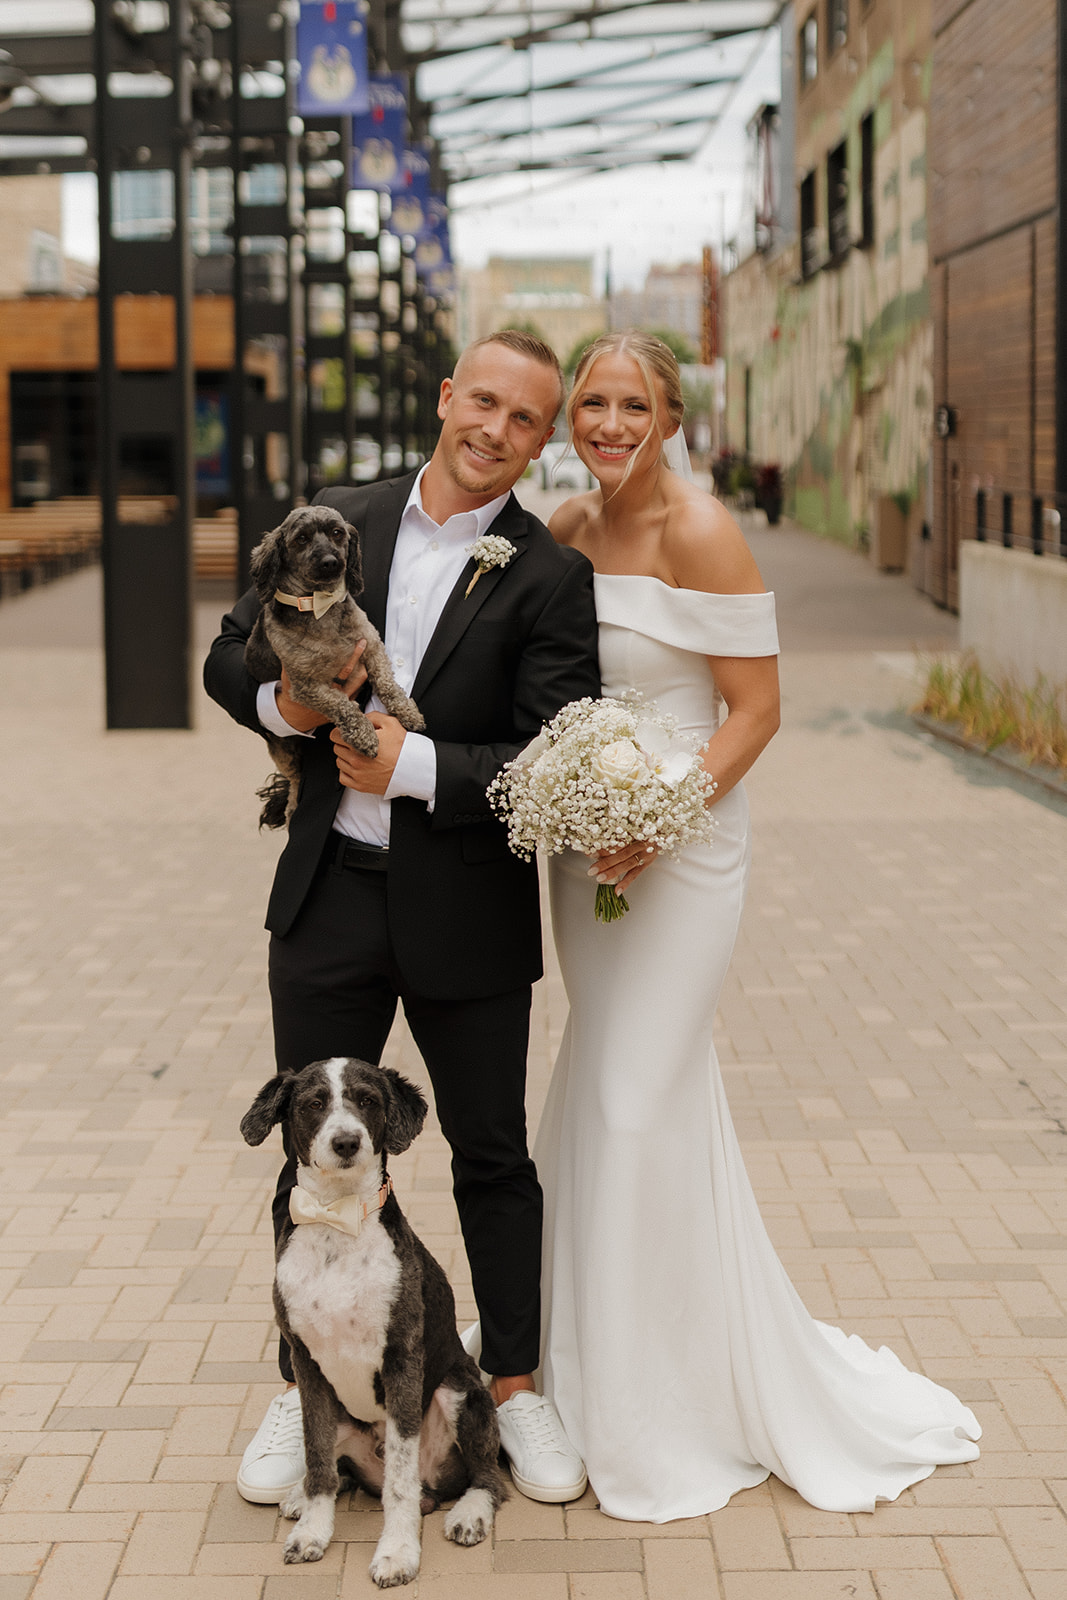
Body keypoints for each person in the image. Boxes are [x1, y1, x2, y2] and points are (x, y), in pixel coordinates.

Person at [536, 330, 981, 1523]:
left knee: (633, 1095)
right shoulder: (569, 531)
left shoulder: (703, 533)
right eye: (592, 403)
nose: (611, 423)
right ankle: (579, 1362)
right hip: (586, 858)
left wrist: (659, 810)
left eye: (634, 404)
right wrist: (568, 799)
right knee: (609, 1089)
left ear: (671, 415)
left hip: (684, 846)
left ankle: (650, 1405)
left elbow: (757, 709)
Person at [204, 330, 599, 1507]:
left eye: (524, 419)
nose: (495, 429)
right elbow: (228, 658)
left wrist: (412, 766)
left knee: (489, 1154)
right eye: (482, 401)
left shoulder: (545, 575)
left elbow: (550, 761)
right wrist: (281, 698)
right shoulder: (337, 517)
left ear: (541, 440)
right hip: (328, 897)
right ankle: (305, 1386)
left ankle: (512, 1392)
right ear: (445, 398)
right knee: (310, 1165)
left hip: (466, 911)